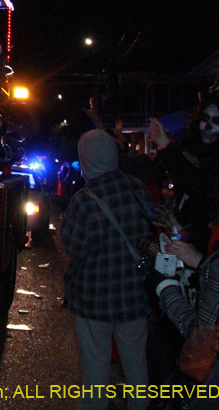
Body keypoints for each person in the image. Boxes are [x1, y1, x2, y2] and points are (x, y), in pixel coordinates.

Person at [61, 129, 154, 410]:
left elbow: (72, 246)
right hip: (135, 296)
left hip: (94, 302)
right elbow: (150, 231)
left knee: (95, 372)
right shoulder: (137, 188)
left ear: (86, 160)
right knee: (137, 366)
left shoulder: (84, 200)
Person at [148, 90, 219, 255]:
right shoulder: (195, 150)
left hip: (210, 255)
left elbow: (203, 188)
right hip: (188, 248)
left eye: (217, 121)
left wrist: (166, 147)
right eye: (205, 119)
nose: (207, 126)